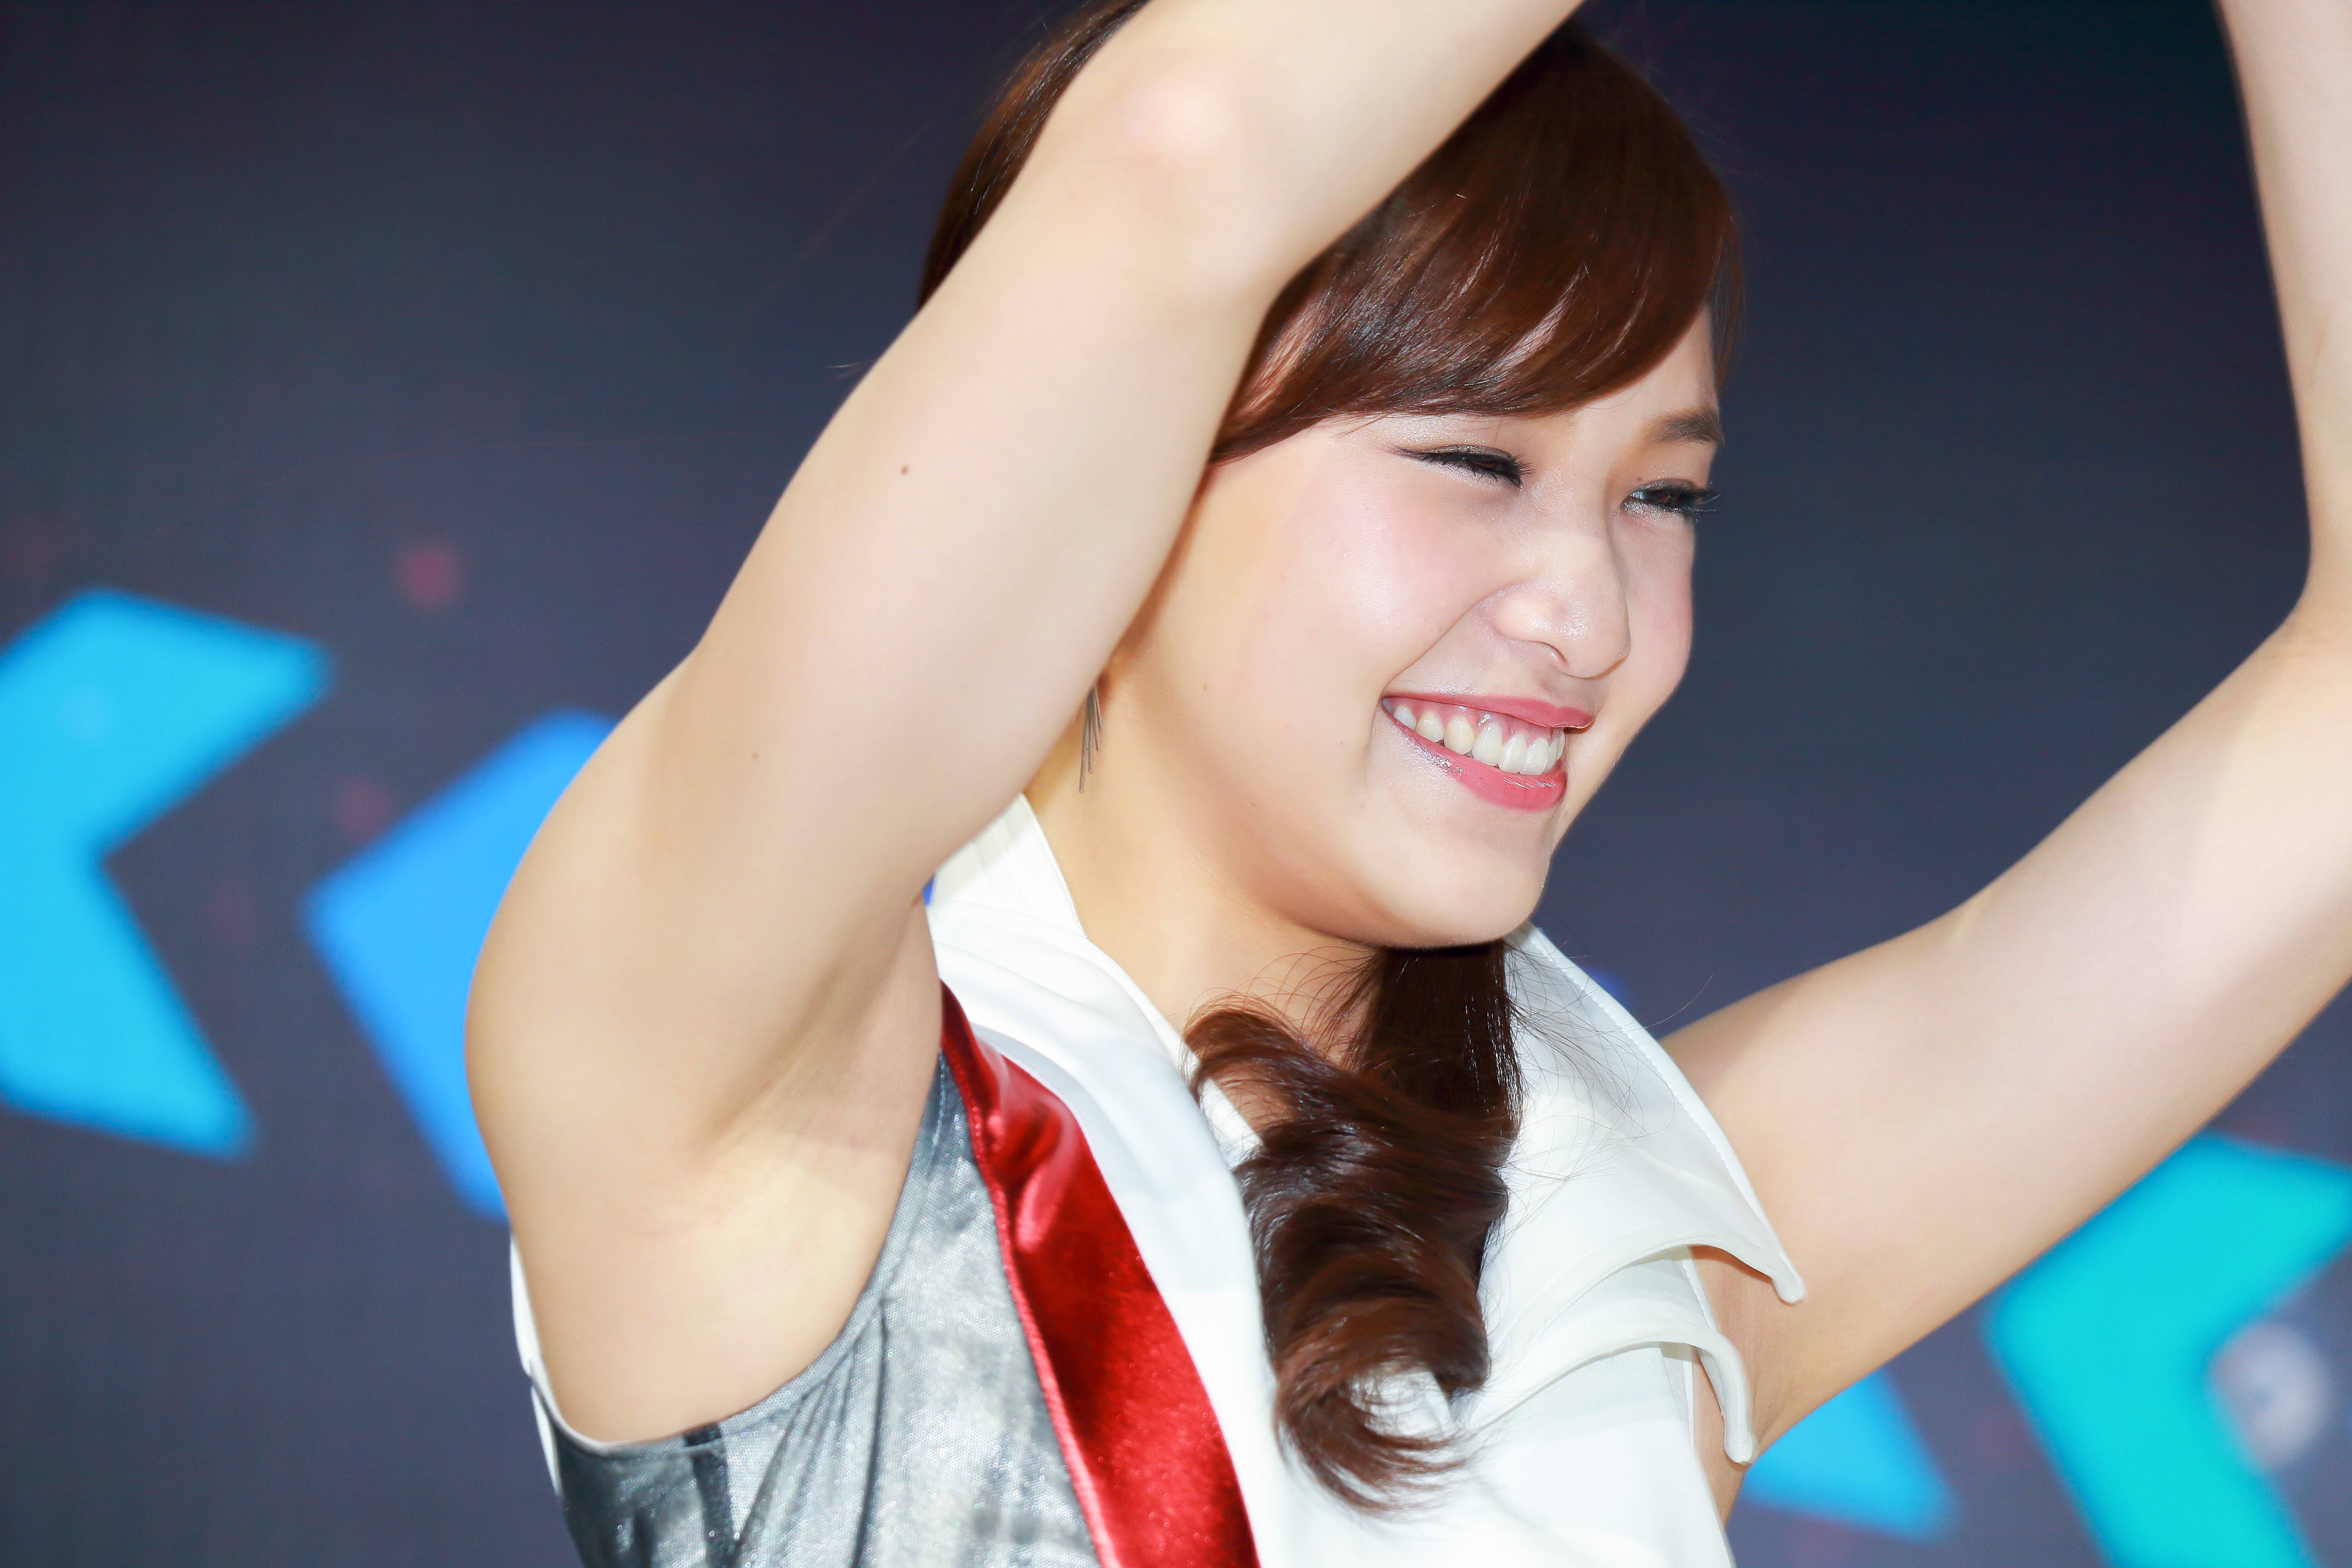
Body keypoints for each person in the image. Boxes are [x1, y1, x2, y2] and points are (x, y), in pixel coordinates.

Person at [466, 0, 2352, 1563]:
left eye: (1663, 495)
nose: (1588, 615)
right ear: (1125, 478)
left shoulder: (1654, 1229)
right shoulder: (736, 1070)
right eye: (1474, 463)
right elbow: (1184, 155)